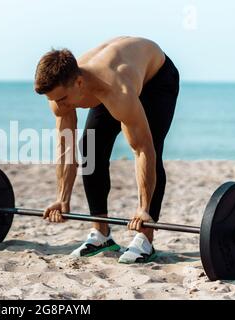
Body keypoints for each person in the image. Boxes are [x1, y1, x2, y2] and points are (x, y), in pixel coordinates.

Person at [34, 36, 179, 263]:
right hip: (112, 80)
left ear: (79, 83)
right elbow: (66, 147)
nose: (59, 106)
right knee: (90, 148)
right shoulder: (60, 93)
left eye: (62, 99)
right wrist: (62, 199)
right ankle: (101, 234)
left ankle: (145, 239)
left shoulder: (116, 88)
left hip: (156, 79)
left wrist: (143, 208)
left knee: (152, 144)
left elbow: (143, 151)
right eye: (54, 100)